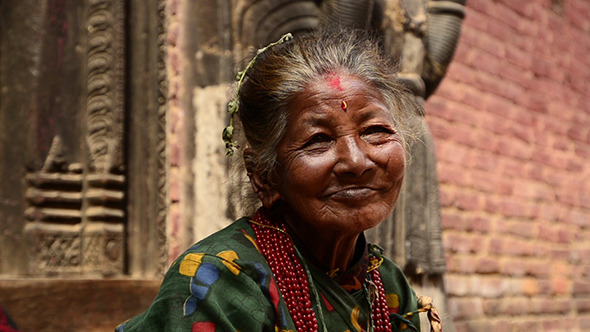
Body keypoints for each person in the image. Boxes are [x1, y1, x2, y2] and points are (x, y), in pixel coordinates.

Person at [116, 26, 441, 332]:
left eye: (375, 131)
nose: (356, 162)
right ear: (264, 177)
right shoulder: (219, 281)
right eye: (318, 140)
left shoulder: (385, 283)